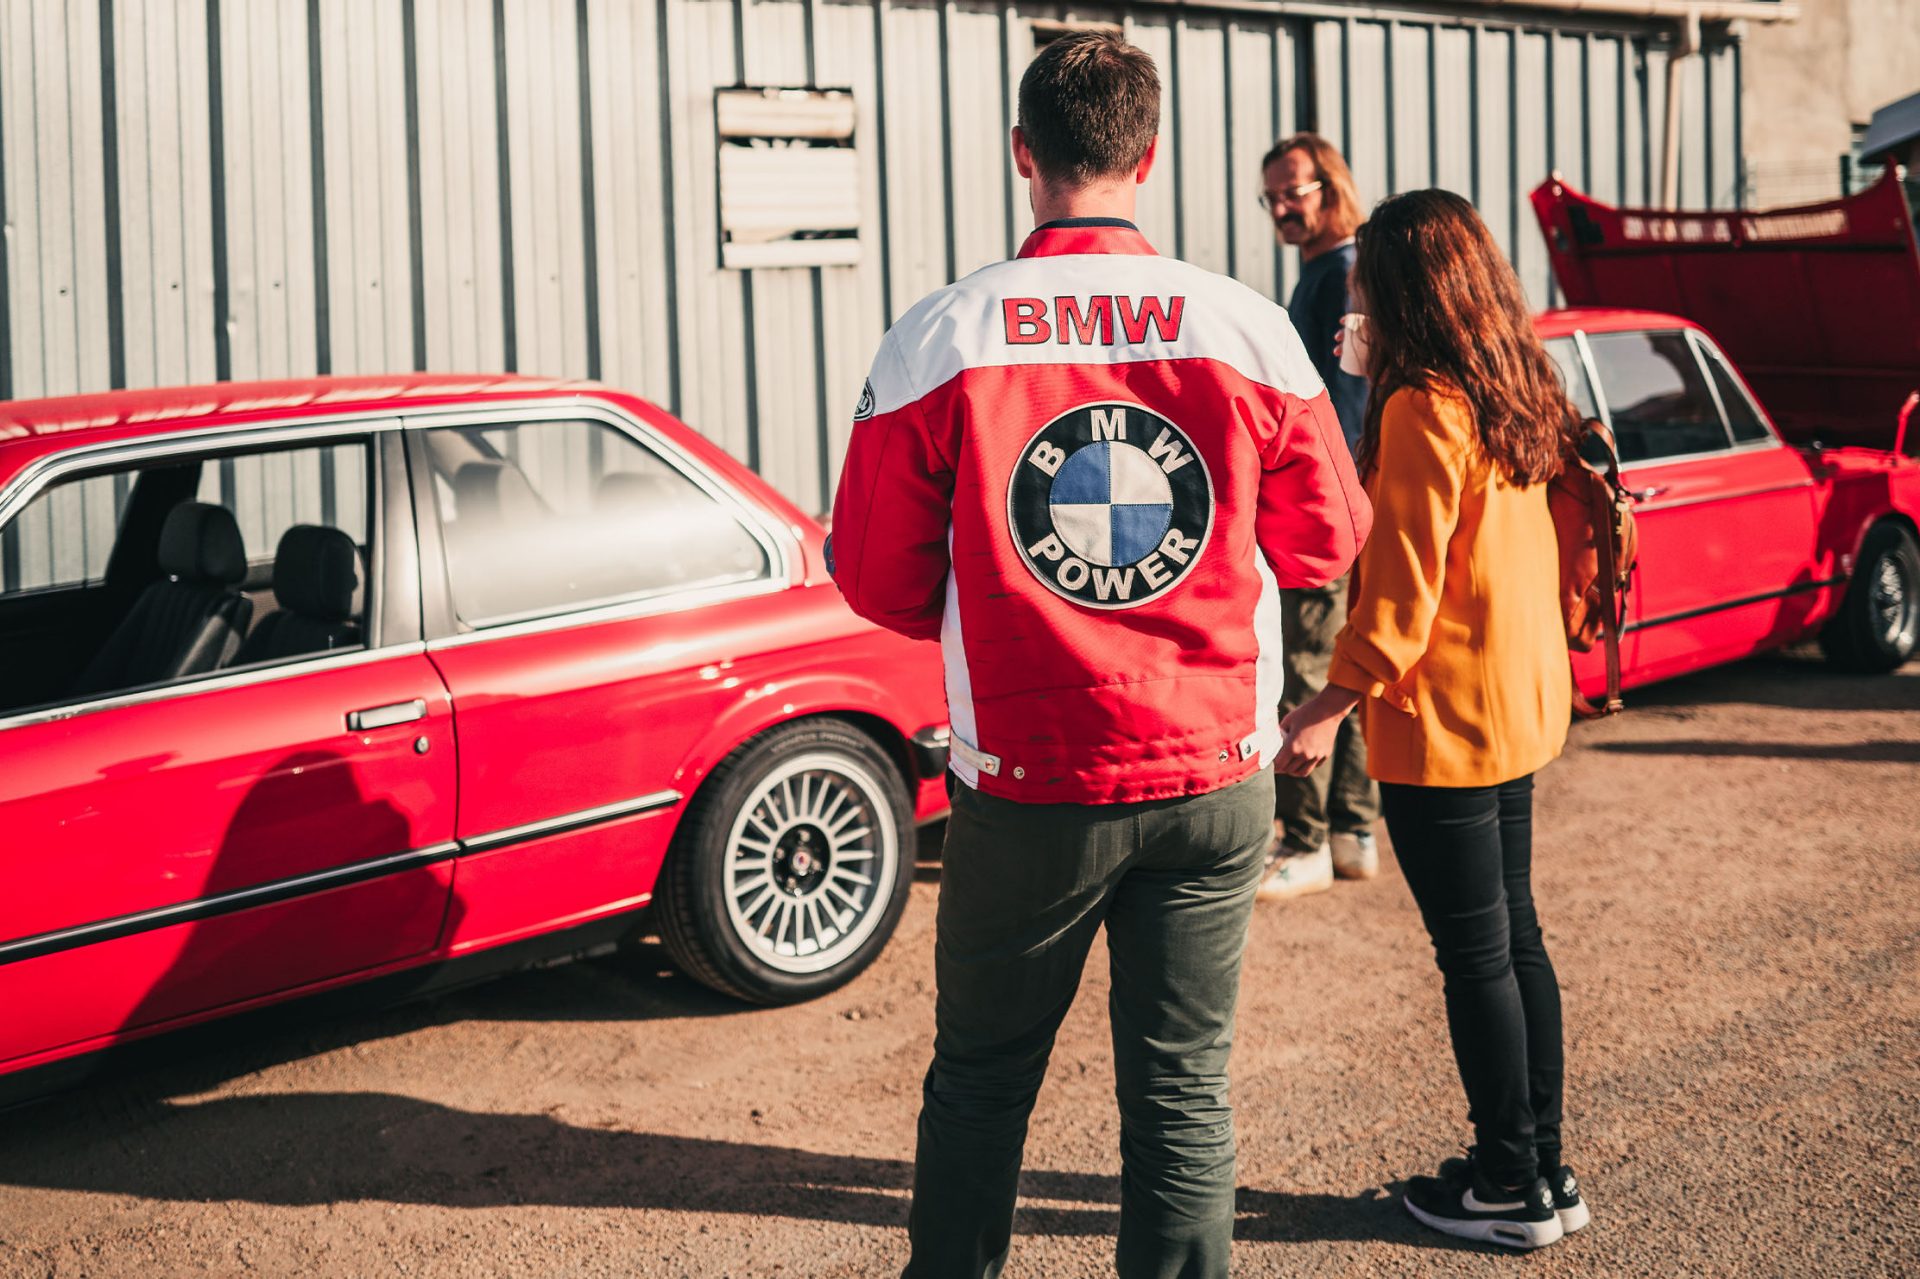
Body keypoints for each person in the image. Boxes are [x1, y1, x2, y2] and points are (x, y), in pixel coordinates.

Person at [827, 33, 1369, 1279]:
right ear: (1151, 154)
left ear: (1025, 156)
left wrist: (997, 612)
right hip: (1215, 771)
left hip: (1029, 776)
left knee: (981, 1077)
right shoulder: (1243, 325)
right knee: (1182, 1089)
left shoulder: (940, 337)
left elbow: (873, 576)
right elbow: (1330, 539)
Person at [1274, 189, 1590, 1250]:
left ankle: (1506, 1186)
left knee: (1476, 957)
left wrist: (1326, 705)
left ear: (1403, 286)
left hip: (1446, 720)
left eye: (1365, 275)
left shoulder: (1422, 408)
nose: (1349, 289)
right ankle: (1540, 1163)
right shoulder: (1514, 386)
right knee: (1517, 940)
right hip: (1517, 703)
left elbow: (1399, 600)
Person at [1256, 133, 1382, 900]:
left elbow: (1340, 404)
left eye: (1293, 191)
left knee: (1303, 667)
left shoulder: (1339, 275)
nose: (1280, 206)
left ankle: (1304, 841)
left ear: (1329, 186)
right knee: (1338, 665)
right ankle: (1352, 830)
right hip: (1345, 502)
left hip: (1317, 509)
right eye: (1270, 195)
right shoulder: (1340, 272)